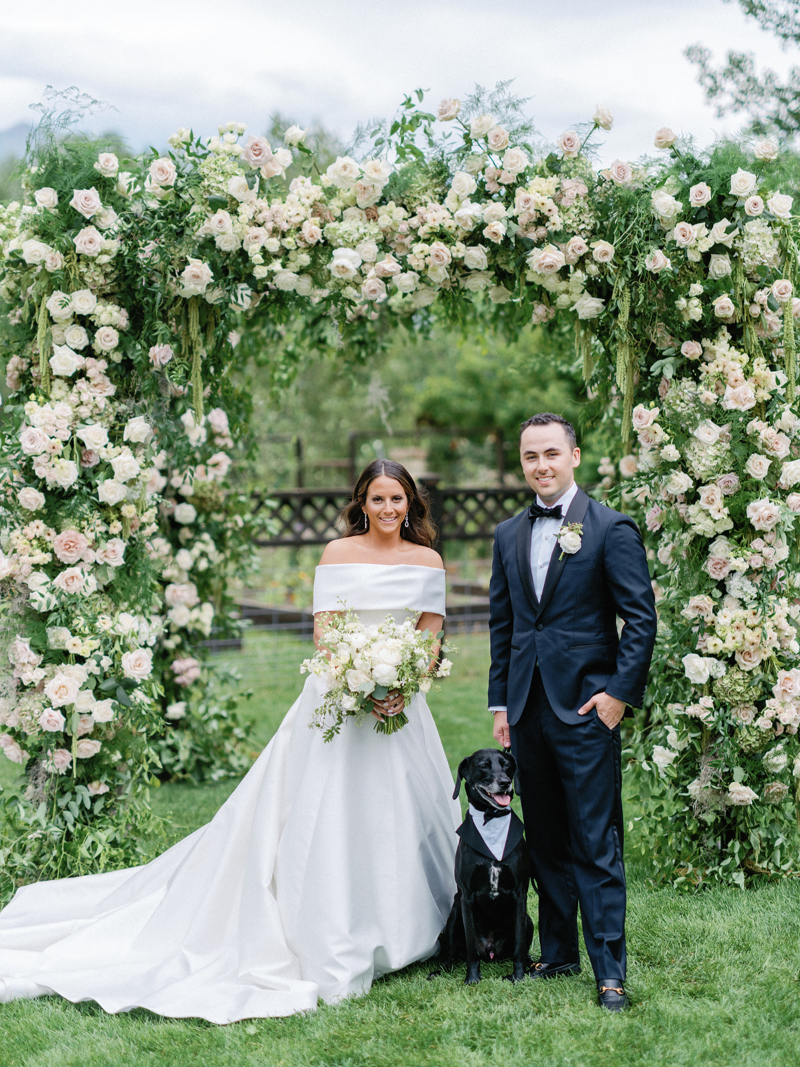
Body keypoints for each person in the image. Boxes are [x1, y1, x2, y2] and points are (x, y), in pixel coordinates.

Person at [0, 460, 461, 1023]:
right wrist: (357, 679)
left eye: (398, 500)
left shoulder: (428, 561)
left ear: (412, 503)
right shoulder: (338, 554)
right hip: (338, 697)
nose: (388, 510)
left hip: (401, 706)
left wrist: (404, 683)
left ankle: (410, 926)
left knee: (405, 814)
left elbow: (431, 631)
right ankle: (329, 923)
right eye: (377, 499)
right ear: (361, 503)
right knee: (329, 812)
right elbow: (326, 631)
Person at [488, 413, 656, 1012]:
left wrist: (616, 695)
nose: (541, 465)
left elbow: (640, 619)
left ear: (575, 456)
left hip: (587, 708)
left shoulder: (610, 528)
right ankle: (558, 955)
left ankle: (609, 971)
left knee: (595, 841)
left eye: (552, 453)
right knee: (548, 843)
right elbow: (505, 624)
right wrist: (501, 702)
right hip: (528, 709)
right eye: (531, 455)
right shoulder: (508, 534)